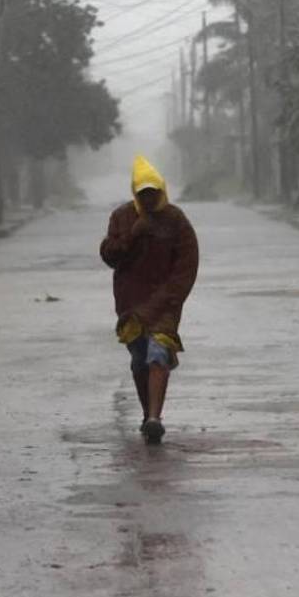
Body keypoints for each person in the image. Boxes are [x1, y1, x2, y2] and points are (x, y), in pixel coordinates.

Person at [99, 155, 199, 444]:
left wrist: (170, 298)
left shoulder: (176, 219)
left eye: (153, 193)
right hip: (131, 304)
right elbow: (109, 256)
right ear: (135, 192)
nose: (149, 198)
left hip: (165, 304)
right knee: (139, 361)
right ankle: (147, 415)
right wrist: (132, 235)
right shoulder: (122, 218)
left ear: (162, 190)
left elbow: (186, 265)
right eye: (143, 193)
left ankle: (155, 418)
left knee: (158, 354)